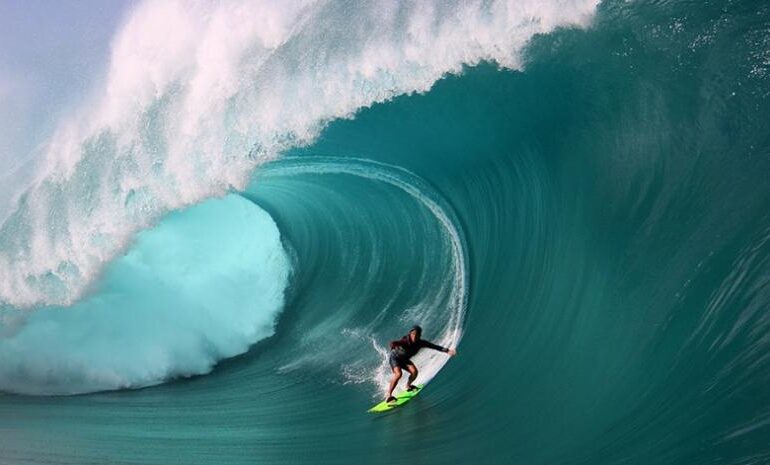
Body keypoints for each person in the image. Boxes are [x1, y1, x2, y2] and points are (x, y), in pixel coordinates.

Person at [385, 325, 457, 403]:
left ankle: (408, 385)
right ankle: (389, 395)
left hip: (405, 360)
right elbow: (393, 343)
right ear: (410, 334)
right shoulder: (405, 341)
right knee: (398, 374)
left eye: (417, 334)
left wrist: (447, 351)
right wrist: (393, 346)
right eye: (413, 334)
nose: (414, 336)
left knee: (414, 372)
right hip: (395, 358)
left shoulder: (421, 343)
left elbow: (434, 346)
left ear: (420, 335)